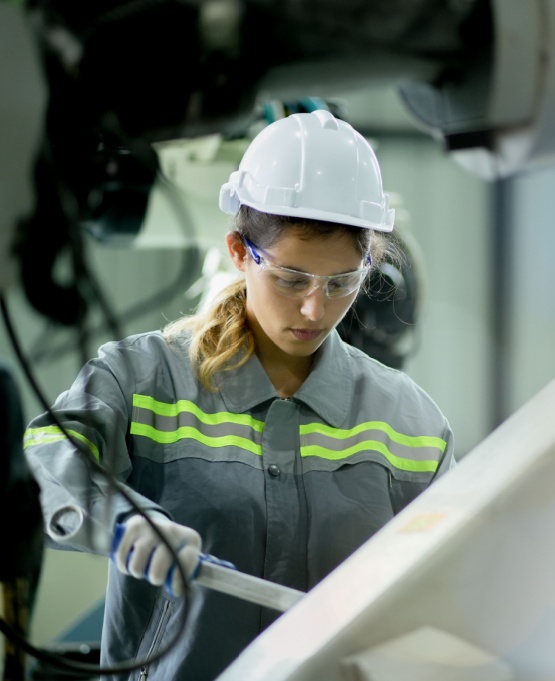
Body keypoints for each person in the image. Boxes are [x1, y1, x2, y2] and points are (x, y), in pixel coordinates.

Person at [22, 109, 455, 681]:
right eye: (291, 279)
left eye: (341, 283)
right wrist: (125, 520)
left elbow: (455, 583)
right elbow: (44, 458)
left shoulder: (412, 423)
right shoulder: (144, 376)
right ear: (238, 250)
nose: (314, 310)